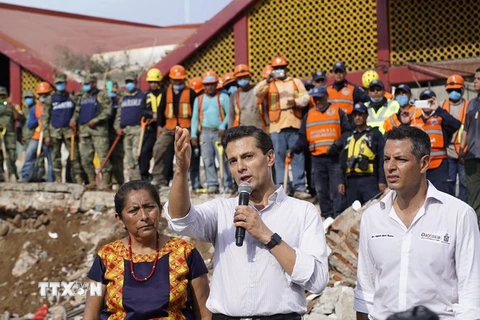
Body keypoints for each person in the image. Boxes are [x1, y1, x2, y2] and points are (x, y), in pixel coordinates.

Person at [166, 125, 329, 318]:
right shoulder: (221, 210)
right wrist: (181, 171)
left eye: (248, 157)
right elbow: (179, 220)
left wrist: (267, 236)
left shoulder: (302, 212)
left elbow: (317, 281)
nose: (240, 167)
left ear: (269, 158)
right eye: (233, 161)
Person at [355, 126, 480, 319]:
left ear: (424, 164)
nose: (390, 167)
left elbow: (470, 293)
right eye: (387, 159)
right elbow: (365, 292)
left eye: (401, 159)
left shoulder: (459, 215)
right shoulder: (372, 217)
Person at [84, 180, 210, 319]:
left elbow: (204, 314)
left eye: (149, 207)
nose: (144, 216)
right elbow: (90, 315)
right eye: (133, 210)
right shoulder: (107, 257)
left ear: (160, 210)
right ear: (119, 219)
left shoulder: (185, 252)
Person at [254, 56, 311, 199]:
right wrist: (267, 80)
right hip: (277, 125)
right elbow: (257, 92)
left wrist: (296, 101)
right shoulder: (270, 84)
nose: (280, 71)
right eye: (277, 68)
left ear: (286, 68)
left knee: (297, 155)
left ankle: (299, 186)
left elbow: (306, 98)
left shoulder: (295, 82)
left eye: (282, 68)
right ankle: (281, 186)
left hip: (294, 123)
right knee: (277, 157)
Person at [291, 86, 352, 218]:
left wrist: (338, 145)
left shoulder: (337, 111)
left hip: (334, 157)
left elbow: (348, 131)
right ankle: (327, 216)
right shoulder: (309, 115)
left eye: (320, 98)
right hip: (317, 159)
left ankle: (338, 216)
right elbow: (303, 136)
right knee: (321, 190)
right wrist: (296, 147)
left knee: (337, 189)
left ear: (326, 96)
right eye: (315, 98)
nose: (318, 101)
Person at [152, 65, 202, 193]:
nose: (177, 82)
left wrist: (195, 131)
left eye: (180, 80)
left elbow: (196, 112)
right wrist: (159, 126)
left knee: (186, 153)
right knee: (159, 148)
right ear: (171, 80)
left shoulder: (190, 92)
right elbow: (160, 110)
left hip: (186, 127)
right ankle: (159, 179)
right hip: (169, 127)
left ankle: (189, 181)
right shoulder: (165, 92)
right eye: (175, 80)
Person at [410, 90, 461, 195]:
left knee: (442, 195)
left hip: (439, 166)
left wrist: (437, 109)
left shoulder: (441, 117)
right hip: (418, 166)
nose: (427, 103)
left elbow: (456, 125)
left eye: (429, 100)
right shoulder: (414, 118)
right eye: (424, 100)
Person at [191, 70, 233, 194]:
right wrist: (194, 134)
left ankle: (227, 184)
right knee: (207, 159)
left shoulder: (223, 97)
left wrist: (223, 126)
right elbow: (195, 118)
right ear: (204, 86)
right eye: (207, 85)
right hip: (205, 132)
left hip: (219, 132)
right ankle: (212, 184)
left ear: (216, 84)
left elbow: (229, 114)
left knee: (224, 159)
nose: (210, 87)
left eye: (212, 84)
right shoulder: (199, 99)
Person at [339, 102, 386, 207]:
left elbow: (381, 158)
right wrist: (341, 181)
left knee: (373, 209)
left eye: (360, 114)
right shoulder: (348, 136)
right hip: (351, 181)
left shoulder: (375, 134)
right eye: (355, 115)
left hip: (369, 179)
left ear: (366, 115)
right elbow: (342, 161)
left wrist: (382, 180)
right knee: (353, 212)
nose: (357, 117)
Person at [42, 73, 84, 184]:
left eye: (62, 83)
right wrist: (46, 135)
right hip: (55, 131)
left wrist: (74, 119)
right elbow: (45, 118)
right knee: (56, 156)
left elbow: (78, 110)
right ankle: (59, 179)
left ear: (65, 83)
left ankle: (78, 179)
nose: (60, 85)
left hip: (69, 131)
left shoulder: (72, 97)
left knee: (74, 156)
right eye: (58, 83)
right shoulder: (50, 99)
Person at [76, 73, 113, 190]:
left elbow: (108, 111)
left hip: (99, 132)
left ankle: (107, 184)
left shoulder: (102, 95)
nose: (86, 86)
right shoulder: (82, 97)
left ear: (94, 83)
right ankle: (92, 182)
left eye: (88, 84)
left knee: (103, 158)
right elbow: (77, 112)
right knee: (85, 158)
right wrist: (74, 122)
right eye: (85, 84)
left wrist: (96, 120)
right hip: (84, 131)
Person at [114, 71, 151, 181]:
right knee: (129, 157)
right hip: (126, 131)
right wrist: (117, 127)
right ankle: (131, 180)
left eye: (131, 81)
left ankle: (139, 179)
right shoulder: (123, 99)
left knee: (136, 155)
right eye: (127, 82)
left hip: (138, 129)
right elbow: (118, 115)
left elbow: (147, 112)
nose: (129, 84)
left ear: (136, 82)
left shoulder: (142, 96)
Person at [442, 75, 469, 203]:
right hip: (448, 150)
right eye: (451, 90)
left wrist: (465, 149)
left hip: (464, 151)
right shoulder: (443, 106)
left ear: (462, 90)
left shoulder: (469, 105)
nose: (454, 93)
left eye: (457, 90)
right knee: (449, 182)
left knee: (464, 183)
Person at [21, 83, 54, 182]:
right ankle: (26, 177)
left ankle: (51, 180)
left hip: (49, 136)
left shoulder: (53, 107)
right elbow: (30, 124)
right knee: (29, 155)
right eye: (41, 94)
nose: (43, 96)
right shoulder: (34, 109)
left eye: (45, 94)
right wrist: (38, 120)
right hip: (36, 137)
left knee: (51, 160)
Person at [459, 67, 480, 221]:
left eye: (478, 79)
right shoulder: (471, 104)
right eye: (475, 79)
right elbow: (465, 128)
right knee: (474, 195)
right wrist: (461, 148)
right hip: (472, 156)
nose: (475, 82)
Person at [228, 64, 268, 130]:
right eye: (240, 78)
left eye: (245, 77)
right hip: (242, 130)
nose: (243, 80)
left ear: (249, 78)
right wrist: (230, 130)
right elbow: (231, 115)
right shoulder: (234, 95)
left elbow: (265, 109)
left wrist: (268, 126)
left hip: (259, 128)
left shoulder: (258, 91)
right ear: (236, 80)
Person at [140, 68, 162, 182]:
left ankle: (163, 177)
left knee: (161, 152)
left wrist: (159, 115)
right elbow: (142, 110)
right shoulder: (146, 95)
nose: (153, 84)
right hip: (150, 128)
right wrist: (151, 114)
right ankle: (144, 175)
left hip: (163, 126)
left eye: (155, 82)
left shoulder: (164, 93)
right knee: (144, 152)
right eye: (151, 82)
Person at [0, 86, 23, 182]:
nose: (1, 98)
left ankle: (12, 173)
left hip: (9, 134)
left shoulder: (12, 106)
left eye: (3, 96)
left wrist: (12, 108)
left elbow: (20, 118)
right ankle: (1, 174)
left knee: (12, 154)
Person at [107, 81, 125, 187]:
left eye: (114, 89)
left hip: (117, 133)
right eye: (111, 89)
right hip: (105, 133)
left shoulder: (119, 101)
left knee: (117, 159)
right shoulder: (104, 101)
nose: (112, 91)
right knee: (107, 159)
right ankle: (108, 183)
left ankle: (119, 182)